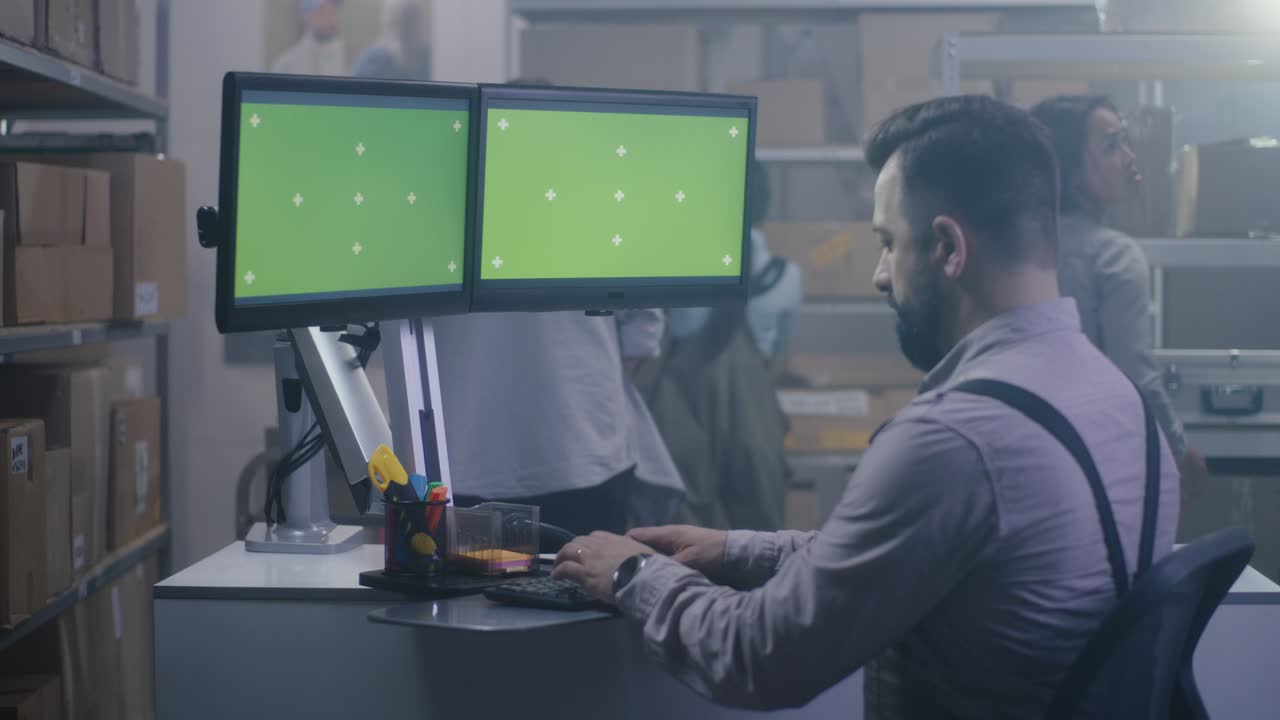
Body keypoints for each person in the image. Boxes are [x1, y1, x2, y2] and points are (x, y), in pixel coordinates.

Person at [552, 95, 1180, 718]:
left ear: (947, 248)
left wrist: (634, 575)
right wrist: (737, 550)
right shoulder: (1114, 399)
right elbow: (923, 550)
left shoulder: (955, 439)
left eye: (887, 242)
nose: (880, 274)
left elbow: (759, 656)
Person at [1031, 95, 1210, 500]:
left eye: (1125, 141)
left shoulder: (1023, 245)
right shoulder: (1112, 254)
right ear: (1070, 169)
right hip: (1098, 464)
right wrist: (1178, 452)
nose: (1129, 157)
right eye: (1110, 146)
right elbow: (1136, 377)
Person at [648, 160, 800, 530]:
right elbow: (776, 355)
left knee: (679, 522)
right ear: (765, 206)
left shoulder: (677, 267)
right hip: (753, 412)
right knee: (762, 526)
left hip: (683, 406)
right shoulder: (786, 277)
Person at [351, 0, 431, 81]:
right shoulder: (373, 61)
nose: (403, 29)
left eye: (409, 20)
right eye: (397, 21)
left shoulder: (430, 58)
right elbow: (353, 89)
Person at [271, 0, 348, 77]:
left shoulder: (349, 58)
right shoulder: (286, 64)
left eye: (332, 12)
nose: (330, 19)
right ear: (306, 17)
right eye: (322, 12)